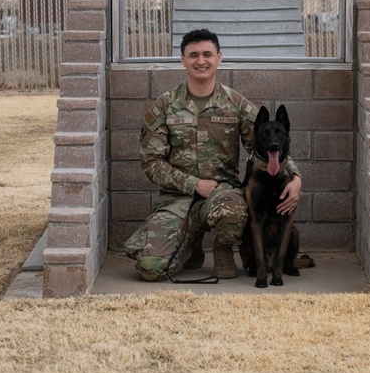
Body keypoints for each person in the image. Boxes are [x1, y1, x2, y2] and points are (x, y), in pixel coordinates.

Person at [124, 28, 303, 281]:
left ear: (219, 58)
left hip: (222, 195)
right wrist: (193, 184)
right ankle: (191, 247)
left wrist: (295, 177)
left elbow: (268, 142)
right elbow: (151, 163)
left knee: (235, 211)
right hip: (176, 200)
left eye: (207, 54)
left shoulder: (236, 103)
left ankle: (223, 247)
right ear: (182, 60)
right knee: (151, 269)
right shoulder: (164, 106)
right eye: (193, 55)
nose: (201, 61)